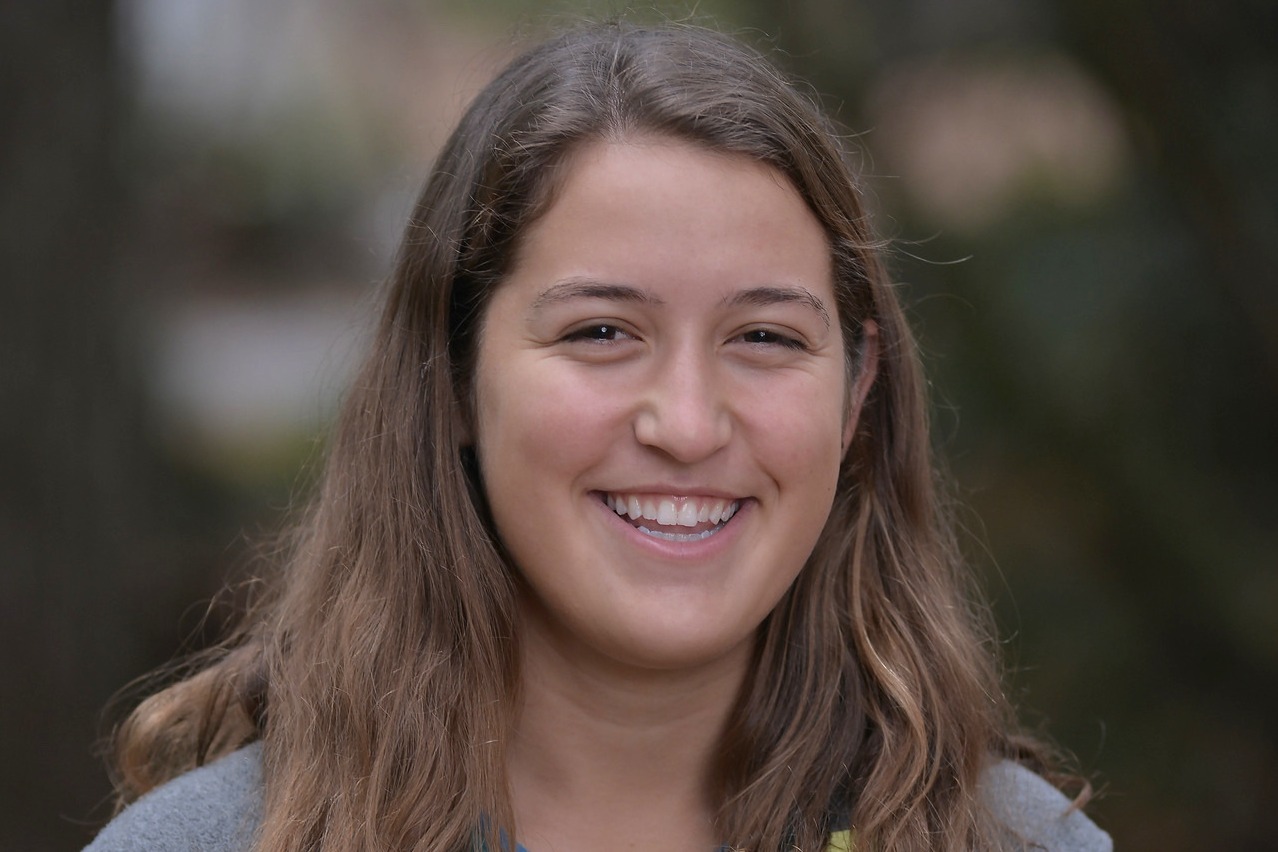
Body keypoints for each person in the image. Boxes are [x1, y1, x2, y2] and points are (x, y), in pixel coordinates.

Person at [87, 21, 1110, 852]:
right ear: (446, 379)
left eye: (764, 336)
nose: (687, 423)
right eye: (602, 332)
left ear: (856, 395)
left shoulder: (1018, 844)